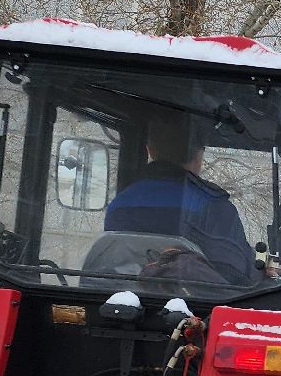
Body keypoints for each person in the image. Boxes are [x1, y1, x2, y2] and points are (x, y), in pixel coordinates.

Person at [104, 109, 254, 284]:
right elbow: (237, 280)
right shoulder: (215, 207)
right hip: (197, 309)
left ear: (150, 150)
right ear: (199, 155)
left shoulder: (119, 205)